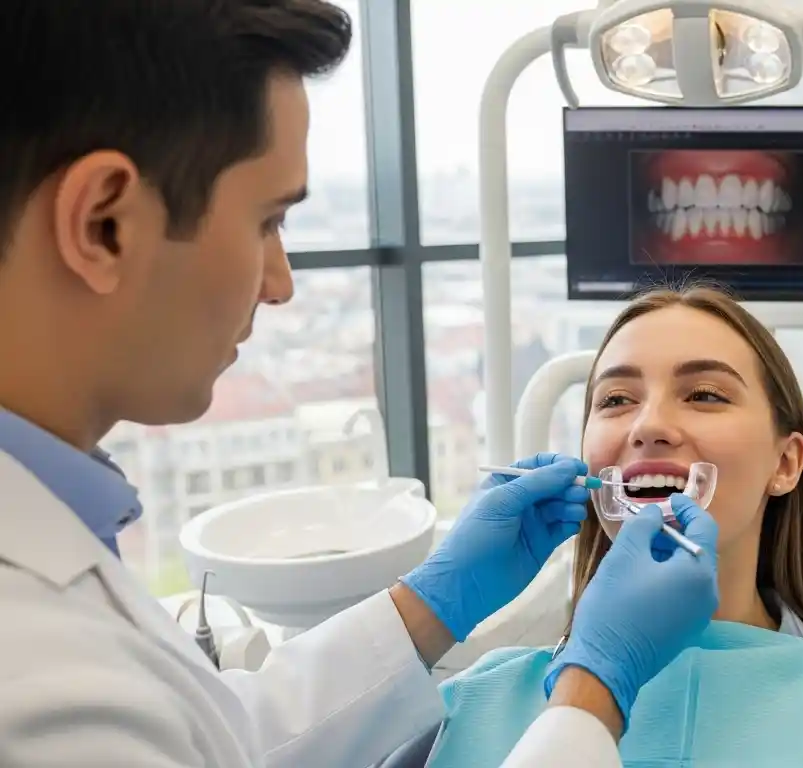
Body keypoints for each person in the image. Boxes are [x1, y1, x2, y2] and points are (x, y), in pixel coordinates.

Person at [0, 2, 716, 767]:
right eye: (267, 221)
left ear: (790, 460)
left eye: (706, 393)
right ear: (103, 222)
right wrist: (592, 694)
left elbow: (220, 740)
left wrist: (428, 607)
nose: (280, 285)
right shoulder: (38, 689)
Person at [425, 285, 803, 766]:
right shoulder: (474, 705)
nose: (649, 426)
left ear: (786, 464)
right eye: (616, 400)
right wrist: (426, 605)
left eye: (703, 394)